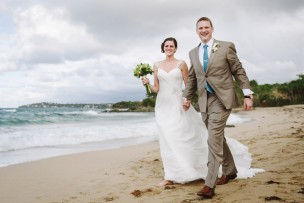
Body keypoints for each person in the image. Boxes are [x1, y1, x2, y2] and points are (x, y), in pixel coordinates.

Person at [142, 37, 261, 188]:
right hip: (162, 106)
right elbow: (156, 89)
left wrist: (187, 99)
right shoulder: (156, 65)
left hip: (179, 104)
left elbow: (189, 83)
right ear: (163, 48)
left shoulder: (182, 64)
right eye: (166, 46)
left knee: (185, 136)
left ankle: (201, 173)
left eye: (172, 46)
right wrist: (147, 85)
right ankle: (170, 175)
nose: (169, 48)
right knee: (167, 139)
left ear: (175, 48)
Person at [182, 17, 254, 199]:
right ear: (196, 31)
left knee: (213, 139)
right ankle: (230, 170)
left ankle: (209, 184)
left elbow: (238, 70)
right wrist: (187, 97)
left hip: (223, 99)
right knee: (218, 137)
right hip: (205, 101)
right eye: (200, 28)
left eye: (207, 27)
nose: (204, 30)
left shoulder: (225, 46)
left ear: (212, 29)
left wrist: (247, 94)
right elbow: (192, 78)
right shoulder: (193, 53)